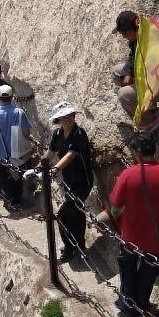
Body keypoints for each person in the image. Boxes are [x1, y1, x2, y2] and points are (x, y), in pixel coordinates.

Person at [97, 132, 159, 317]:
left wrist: (118, 217)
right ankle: (141, 304)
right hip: (158, 236)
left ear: (136, 152)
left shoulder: (128, 174)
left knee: (127, 269)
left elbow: (116, 208)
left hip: (131, 235)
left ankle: (128, 305)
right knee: (148, 274)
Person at [38, 101, 95, 262]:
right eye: (64, 116)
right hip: (69, 180)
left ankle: (70, 248)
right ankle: (79, 243)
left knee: (64, 214)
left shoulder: (79, 134)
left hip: (82, 181)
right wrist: (38, 167)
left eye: (71, 115)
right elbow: (50, 153)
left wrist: (54, 169)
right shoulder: (57, 134)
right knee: (76, 212)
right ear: (59, 119)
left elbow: (70, 155)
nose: (69, 118)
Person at [112, 10, 159, 129]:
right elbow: (133, 60)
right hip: (152, 79)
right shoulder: (139, 37)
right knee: (117, 72)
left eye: (125, 33)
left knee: (123, 94)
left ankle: (151, 123)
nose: (124, 36)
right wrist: (128, 74)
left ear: (133, 28)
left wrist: (130, 80)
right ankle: (149, 106)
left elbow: (154, 72)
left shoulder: (151, 39)